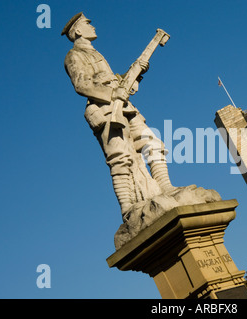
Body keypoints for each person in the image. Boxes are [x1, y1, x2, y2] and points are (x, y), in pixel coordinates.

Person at [62, 13, 175, 219]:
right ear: (78, 31)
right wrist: (113, 93)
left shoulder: (94, 52)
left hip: (124, 105)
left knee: (153, 143)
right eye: (88, 23)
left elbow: (112, 81)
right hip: (105, 109)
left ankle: (166, 187)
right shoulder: (74, 55)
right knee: (119, 159)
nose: (93, 26)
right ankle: (127, 206)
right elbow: (82, 84)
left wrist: (133, 75)